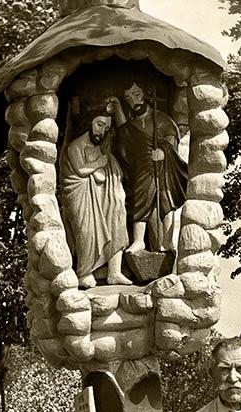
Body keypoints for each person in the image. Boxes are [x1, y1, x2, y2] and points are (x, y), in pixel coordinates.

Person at [107, 82, 187, 254]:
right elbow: (125, 134)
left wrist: (164, 150)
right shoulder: (133, 123)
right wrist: (118, 107)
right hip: (142, 169)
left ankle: (167, 241)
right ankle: (138, 241)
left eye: (136, 95)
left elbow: (173, 138)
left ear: (146, 94)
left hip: (162, 169)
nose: (133, 101)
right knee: (139, 200)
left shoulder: (162, 119)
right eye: (128, 98)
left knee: (166, 202)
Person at [60, 111, 132, 287]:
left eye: (106, 128)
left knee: (117, 221)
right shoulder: (75, 146)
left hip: (102, 195)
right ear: (89, 123)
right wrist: (100, 162)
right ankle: (84, 272)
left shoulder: (102, 148)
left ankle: (114, 271)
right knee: (87, 231)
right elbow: (81, 170)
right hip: (81, 194)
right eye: (99, 124)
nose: (102, 131)